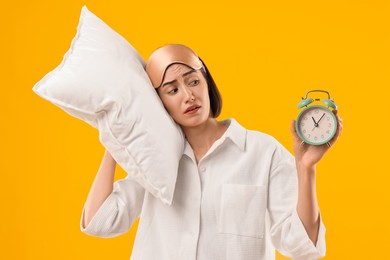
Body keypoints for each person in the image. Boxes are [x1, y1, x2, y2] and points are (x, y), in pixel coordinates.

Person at [80, 44, 343, 260]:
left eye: (193, 81)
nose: (188, 96)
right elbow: (101, 222)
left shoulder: (263, 152)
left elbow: (302, 245)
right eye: (172, 90)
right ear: (158, 102)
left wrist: (306, 168)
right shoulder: (154, 159)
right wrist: (117, 134)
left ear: (207, 83)